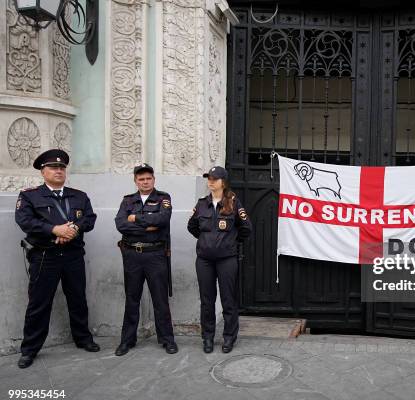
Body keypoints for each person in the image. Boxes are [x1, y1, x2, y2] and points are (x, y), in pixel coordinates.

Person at [15, 149, 99, 369]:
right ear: (43, 172)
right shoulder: (29, 195)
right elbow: (25, 221)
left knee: (78, 299)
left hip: (72, 256)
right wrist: (54, 229)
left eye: (62, 167)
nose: (59, 171)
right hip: (45, 257)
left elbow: (90, 219)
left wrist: (73, 229)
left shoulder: (79, 196)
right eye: (53, 167)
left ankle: (83, 339)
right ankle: (29, 349)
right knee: (38, 304)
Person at [114, 163, 178, 356]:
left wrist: (135, 219)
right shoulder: (127, 201)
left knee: (160, 299)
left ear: (153, 180)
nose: (145, 181)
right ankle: (127, 340)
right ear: (135, 181)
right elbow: (120, 224)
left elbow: (162, 220)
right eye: (141, 179)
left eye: (148, 178)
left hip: (155, 255)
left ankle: (167, 340)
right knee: (132, 298)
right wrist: (146, 226)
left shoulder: (163, 198)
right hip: (132, 255)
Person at [188, 166, 252, 353]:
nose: (210, 182)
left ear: (223, 182)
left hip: (227, 260)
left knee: (228, 299)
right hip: (205, 260)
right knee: (207, 301)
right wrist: (206, 241)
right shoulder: (201, 204)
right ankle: (207, 337)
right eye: (209, 178)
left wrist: (230, 242)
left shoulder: (233, 202)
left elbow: (246, 228)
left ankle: (229, 337)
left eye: (214, 179)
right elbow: (192, 226)